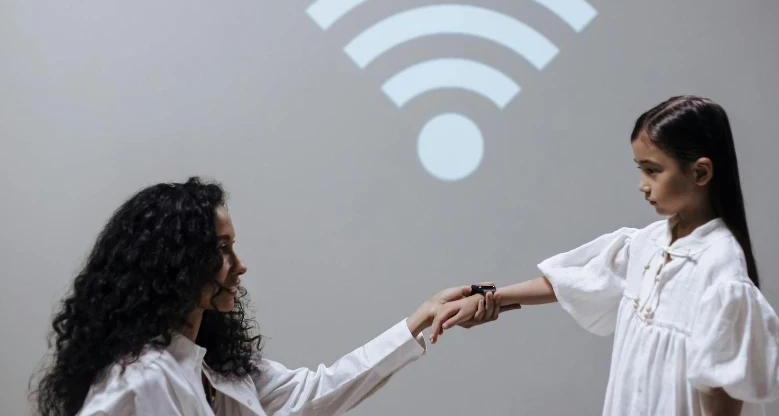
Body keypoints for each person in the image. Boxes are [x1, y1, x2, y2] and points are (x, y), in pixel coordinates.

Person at [31, 178, 516, 415]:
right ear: (175, 264)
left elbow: (316, 391)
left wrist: (419, 322)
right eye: (223, 250)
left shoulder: (213, 368)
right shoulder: (140, 379)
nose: (239, 267)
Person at [432, 96, 779, 415]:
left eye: (653, 171)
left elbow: (722, 395)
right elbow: (575, 281)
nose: (642, 184)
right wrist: (487, 298)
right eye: (640, 170)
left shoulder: (720, 275)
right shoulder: (648, 244)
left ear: (700, 172)